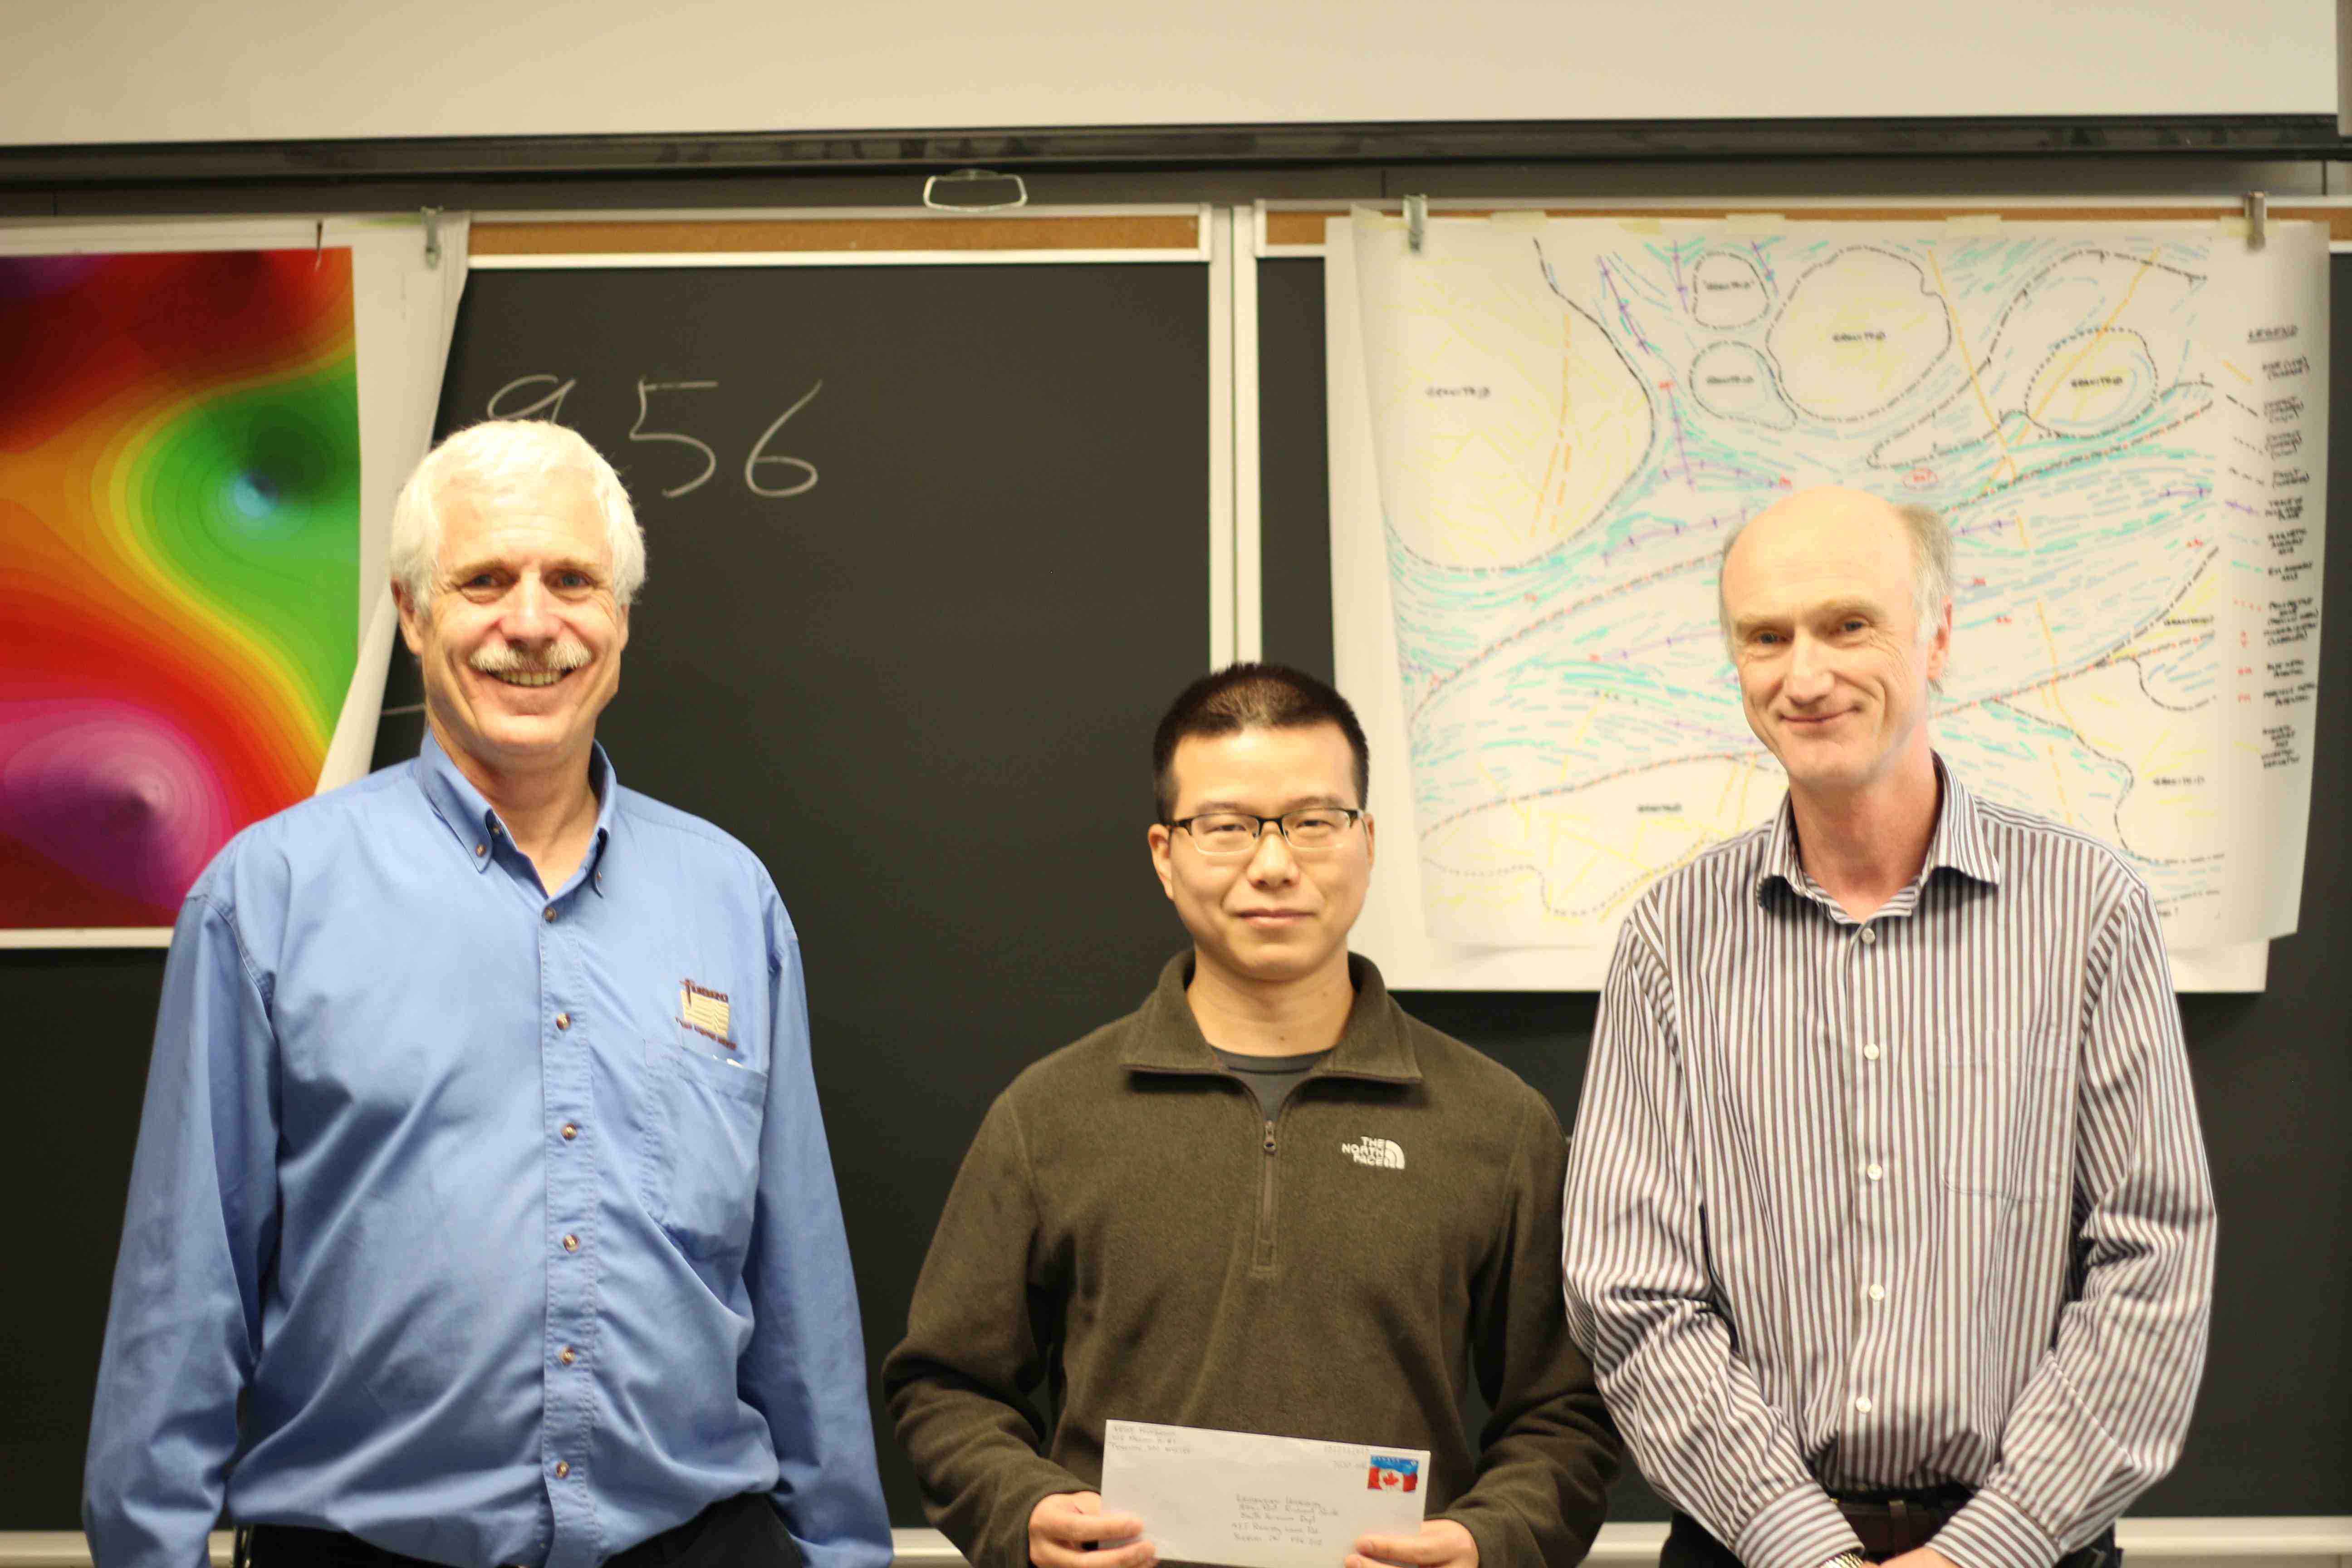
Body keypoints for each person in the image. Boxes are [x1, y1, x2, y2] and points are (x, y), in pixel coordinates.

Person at [84, 421, 892, 1568]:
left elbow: (799, 1282)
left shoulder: (732, 899)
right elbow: (184, 1299)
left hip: (701, 1544)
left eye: (572, 580)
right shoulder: (266, 900)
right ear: (413, 614)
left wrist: (848, 1551)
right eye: (484, 581)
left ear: (619, 621)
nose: (530, 623)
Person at [1562, 486, 2216, 1568]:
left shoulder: (2087, 911)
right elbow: (1631, 1287)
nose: (1804, 675)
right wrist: (1797, 1543)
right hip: (1748, 1550)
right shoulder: (1669, 941)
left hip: (2031, 1549)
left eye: (1848, 624)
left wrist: (1989, 1549)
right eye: (1765, 638)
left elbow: (2153, 1255)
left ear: (1940, 638)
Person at [882, 663, 1618, 1568]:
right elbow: (945, 1387)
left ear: (1368, 840)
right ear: (1165, 853)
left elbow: (1566, 1414)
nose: (1275, 865)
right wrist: (1026, 1509)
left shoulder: (1498, 1124)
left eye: (1314, 822)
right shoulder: (1048, 1116)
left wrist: (1486, 1538)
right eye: (1226, 827)